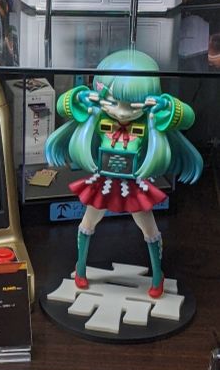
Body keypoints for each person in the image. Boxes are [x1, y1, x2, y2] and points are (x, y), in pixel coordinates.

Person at [45, 49, 203, 299]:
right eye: (115, 102)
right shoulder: (97, 118)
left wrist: (166, 105)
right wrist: (80, 97)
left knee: (149, 230)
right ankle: (81, 268)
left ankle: (157, 275)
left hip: (133, 184)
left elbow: (188, 118)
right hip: (105, 181)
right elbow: (63, 107)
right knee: (87, 224)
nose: (123, 112)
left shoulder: (149, 124)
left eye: (133, 105)